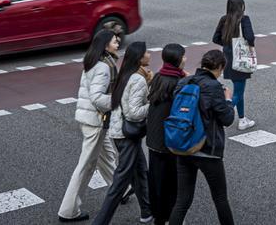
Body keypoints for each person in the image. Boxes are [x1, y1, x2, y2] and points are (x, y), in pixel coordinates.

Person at [168, 49, 238, 225]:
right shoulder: (214, 87)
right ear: (220, 67)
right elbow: (227, 119)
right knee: (220, 198)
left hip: (184, 146)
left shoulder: (183, 82)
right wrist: (228, 100)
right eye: (222, 69)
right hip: (208, 150)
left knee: (182, 201)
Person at [59, 29, 121, 222]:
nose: (118, 42)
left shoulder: (94, 61)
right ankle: (68, 211)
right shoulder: (103, 66)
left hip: (91, 119)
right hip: (95, 120)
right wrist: (117, 101)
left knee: (107, 156)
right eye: (114, 40)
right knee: (86, 166)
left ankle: (121, 189)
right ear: (105, 45)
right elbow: (96, 98)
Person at [93, 41, 153, 225]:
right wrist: (153, 106)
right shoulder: (138, 79)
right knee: (119, 183)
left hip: (119, 133)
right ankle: (100, 222)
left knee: (141, 171)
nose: (149, 54)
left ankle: (147, 212)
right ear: (140, 57)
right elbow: (134, 112)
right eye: (146, 52)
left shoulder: (125, 75)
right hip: (127, 135)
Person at [146, 43, 186, 225]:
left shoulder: (158, 77)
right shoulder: (178, 83)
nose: (185, 59)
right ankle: (169, 217)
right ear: (177, 60)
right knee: (172, 182)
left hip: (153, 138)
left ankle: (157, 215)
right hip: (169, 140)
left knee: (156, 180)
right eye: (183, 56)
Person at [212, 0, 256, 130]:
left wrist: (227, 45)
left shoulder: (224, 19)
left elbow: (215, 38)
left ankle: (242, 119)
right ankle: (222, 115)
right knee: (238, 92)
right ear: (241, 6)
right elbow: (250, 37)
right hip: (241, 58)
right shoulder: (244, 19)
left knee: (239, 89)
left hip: (228, 58)